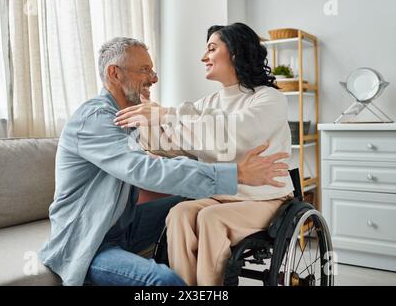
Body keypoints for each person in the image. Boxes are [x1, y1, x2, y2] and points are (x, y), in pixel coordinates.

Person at [38, 36, 290, 286]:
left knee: (187, 204)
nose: (155, 78)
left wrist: (164, 118)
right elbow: (146, 169)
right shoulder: (95, 119)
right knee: (166, 280)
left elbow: (177, 141)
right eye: (144, 70)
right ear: (114, 74)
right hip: (89, 238)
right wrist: (236, 174)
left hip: (121, 226)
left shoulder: (126, 116)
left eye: (152, 69)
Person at [114, 23, 294, 285]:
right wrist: (142, 114)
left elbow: (231, 136)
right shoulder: (206, 104)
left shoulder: (269, 99)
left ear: (235, 52)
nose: (203, 57)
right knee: (179, 213)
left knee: (210, 218)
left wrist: (167, 114)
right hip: (220, 196)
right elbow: (171, 142)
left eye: (211, 48)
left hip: (265, 199)